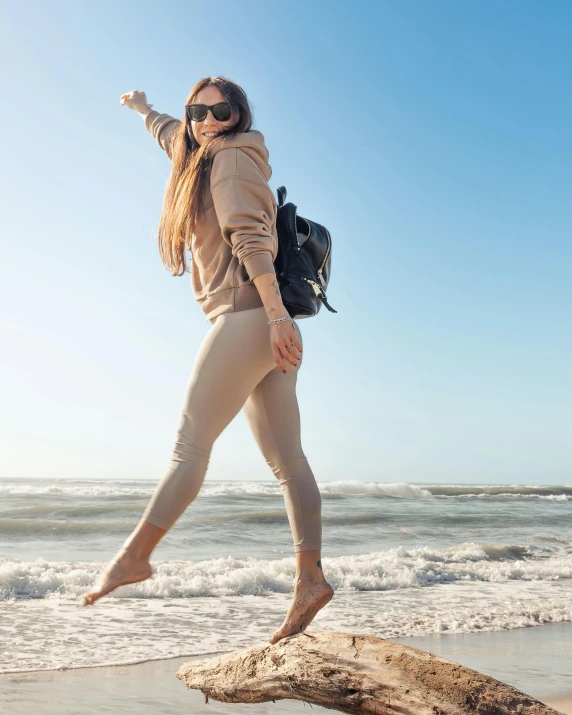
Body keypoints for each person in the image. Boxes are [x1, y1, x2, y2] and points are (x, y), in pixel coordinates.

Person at [82, 76, 334, 644]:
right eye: (198, 111)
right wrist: (145, 109)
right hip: (267, 325)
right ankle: (310, 580)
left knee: (189, 445)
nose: (206, 120)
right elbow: (170, 134)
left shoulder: (231, 161)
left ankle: (134, 557)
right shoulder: (196, 150)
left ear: (238, 116)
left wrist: (273, 318)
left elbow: (250, 239)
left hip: (251, 319)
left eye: (221, 111)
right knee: (287, 462)